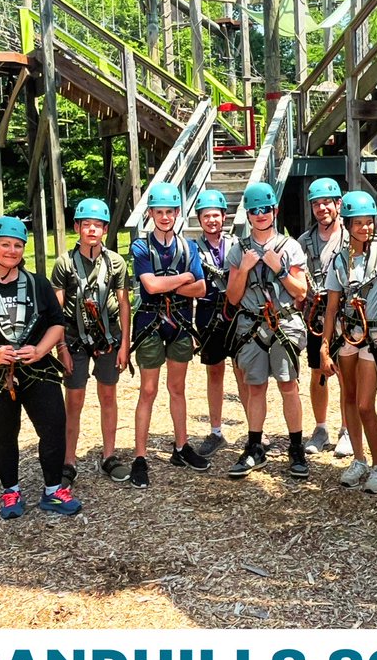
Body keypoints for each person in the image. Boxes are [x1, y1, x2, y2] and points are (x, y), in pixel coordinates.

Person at [0, 216, 81, 519]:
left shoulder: (37, 285)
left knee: (53, 426)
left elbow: (57, 324)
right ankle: (10, 491)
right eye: (5, 244)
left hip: (37, 367)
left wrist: (40, 349)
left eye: (17, 245)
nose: (11, 250)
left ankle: (53, 491)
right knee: (4, 432)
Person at [226, 182, 309, 480]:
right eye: (254, 211)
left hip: (283, 323)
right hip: (251, 325)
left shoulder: (290, 247)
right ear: (248, 215)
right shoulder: (239, 251)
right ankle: (254, 446)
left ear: (274, 211)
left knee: (289, 385)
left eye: (265, 210)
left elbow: (301, 292)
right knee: (256, 387)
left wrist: (281, 269)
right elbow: (233, 297)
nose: (260, 215)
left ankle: (296, 447)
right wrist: (246, 268)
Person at [129, 181, 209, 487]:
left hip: (177, 322)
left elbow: (201, 288)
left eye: (169, 212)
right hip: (150, 322)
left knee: (177, 388)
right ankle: (140, 456)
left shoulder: (187, 246)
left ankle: (181, 446)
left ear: (177, 213)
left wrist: (169, 282)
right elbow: (150, 286)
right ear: (150, 214)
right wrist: (185, 277)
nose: (164, 217)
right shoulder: (141, 246)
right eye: (159, 212)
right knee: (148, 390)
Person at [51, 198, 131, 487]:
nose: (92, 230)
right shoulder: (64, 263)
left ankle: (109, 455)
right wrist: (61, 348)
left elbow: (123, 305)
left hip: (108, 337)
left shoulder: (115, 263)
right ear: (78, 228)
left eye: (98, 226)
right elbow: (57, 309)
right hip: (74, 337)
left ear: (105, 230)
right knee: (74, 400)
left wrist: (125, 345)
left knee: (108, 396)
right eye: (87, 225)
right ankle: (68, 460)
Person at [320, 190, 377, 493]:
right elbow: (330, 307)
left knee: (366, 404)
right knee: (349, 399)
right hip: (348, 335)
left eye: (369, 222)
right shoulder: (340, 260)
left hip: (375, 336)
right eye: (359, 223)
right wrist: (325, 348)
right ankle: (360, 459)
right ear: (348, 224)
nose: (365, 228)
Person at [298, 177, 352, 458]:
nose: (322, 208)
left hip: (345, 314)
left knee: (345, 373)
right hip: (314, 315)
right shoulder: (304, 242)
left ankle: (347, 429)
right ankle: (321, 428)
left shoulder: (350, 237)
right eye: (317, 204)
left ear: (338, 205)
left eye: (326, 203)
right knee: (318, 372)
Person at [191, 189, 246, 456]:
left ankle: (253, 430)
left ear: (224, 217)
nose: (212, 220)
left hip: (235, 312)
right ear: (200, 219)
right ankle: (215, 431)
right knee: (214, 372)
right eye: (206, 216)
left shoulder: (237, 245)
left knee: (243, 371)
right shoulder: (192, 249)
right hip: (207, 313)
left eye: (216, 215)